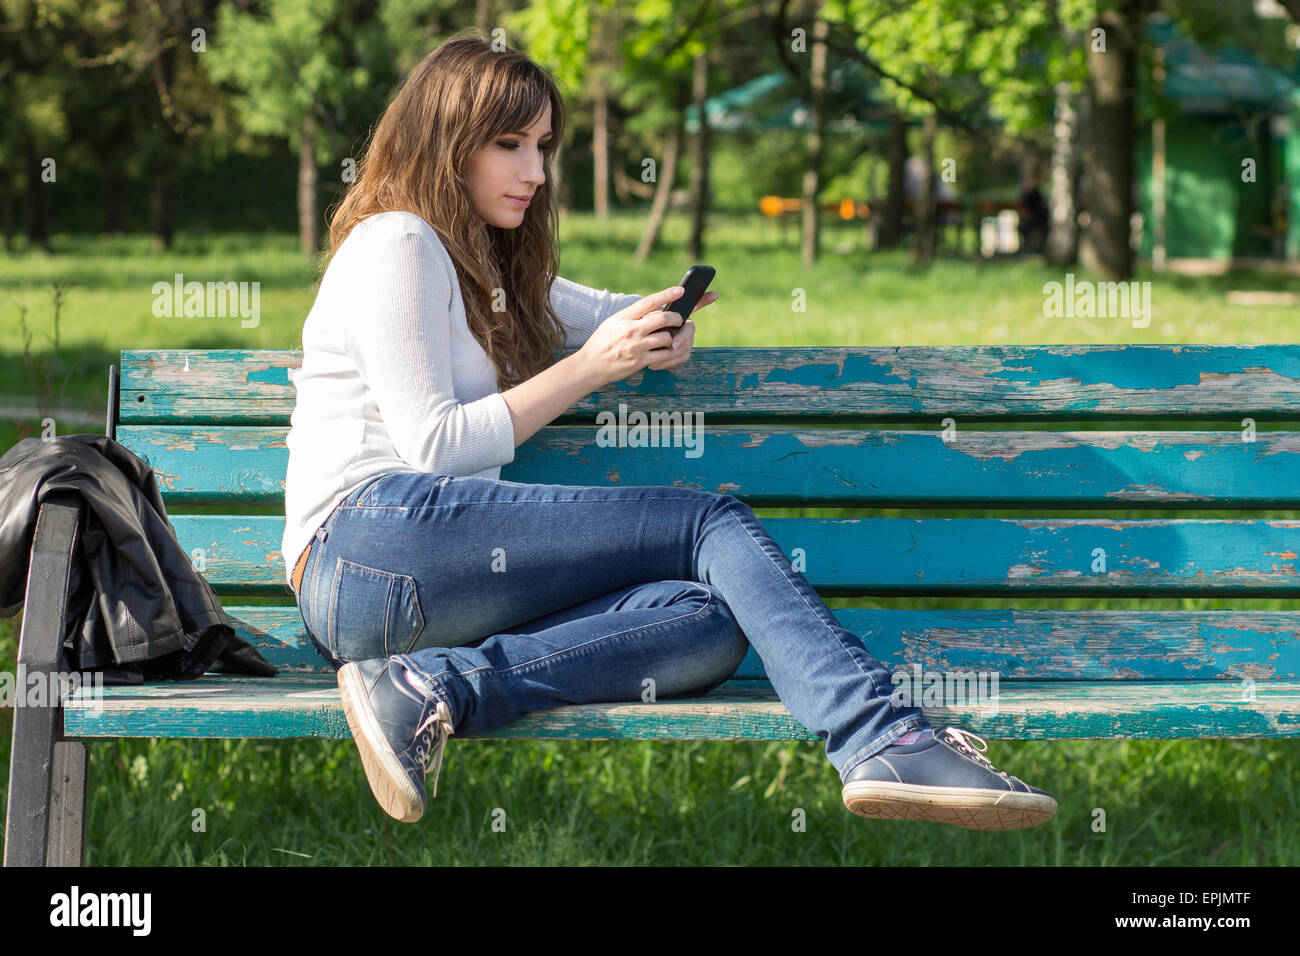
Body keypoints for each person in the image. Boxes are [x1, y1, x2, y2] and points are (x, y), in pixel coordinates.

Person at [284, 30, 1058, 831]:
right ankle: (884, 735)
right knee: (706, 520)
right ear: (446, 143)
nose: (535, 172)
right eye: (509, 145)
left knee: (707, 623)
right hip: (365, 546)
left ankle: (435, 688)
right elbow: (434, 446)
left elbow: (610, 314)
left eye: (544, 145)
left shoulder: (482, 263)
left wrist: (660, 323)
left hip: (413, 587)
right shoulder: (399, 240)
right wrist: (591, 368)